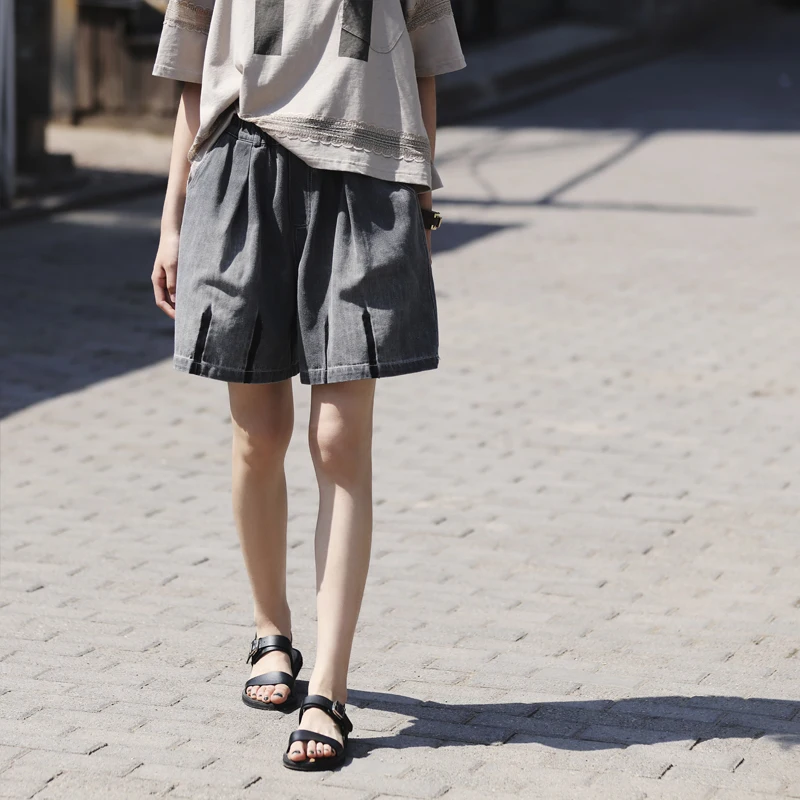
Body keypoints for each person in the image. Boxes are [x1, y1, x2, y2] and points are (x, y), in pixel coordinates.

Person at [150, 0, 465, 771]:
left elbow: (425, 59)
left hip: (366, 174)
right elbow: (192, 68)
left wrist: (424, 196)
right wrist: (172, 218)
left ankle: (329, 688)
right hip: (240, 165)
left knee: (338, 439)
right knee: (259, 434)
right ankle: (271, 629)